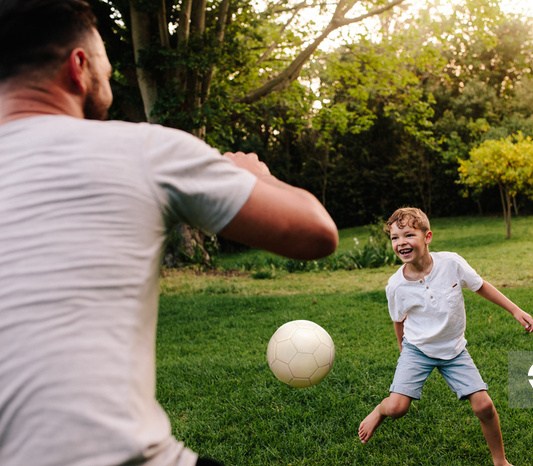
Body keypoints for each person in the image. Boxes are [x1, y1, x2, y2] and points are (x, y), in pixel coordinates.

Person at [0, 1, 338, 465]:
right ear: (79, 67)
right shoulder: (140, 149)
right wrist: (256, 175)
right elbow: (316, 233)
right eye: (106, 66)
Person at [358, 207, 533, 466]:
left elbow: (480, 286)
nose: (401, 242)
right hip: (417, 349)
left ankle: (501, 462)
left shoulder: (451, 263)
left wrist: (515, 310)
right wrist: (402, 351)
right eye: (395, 238)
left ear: (427, 237)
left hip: (454, 349)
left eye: (408, 235)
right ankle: (379, 410)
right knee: (397, 408)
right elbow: (398, 321)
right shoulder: (396, 286)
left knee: (484, 406)